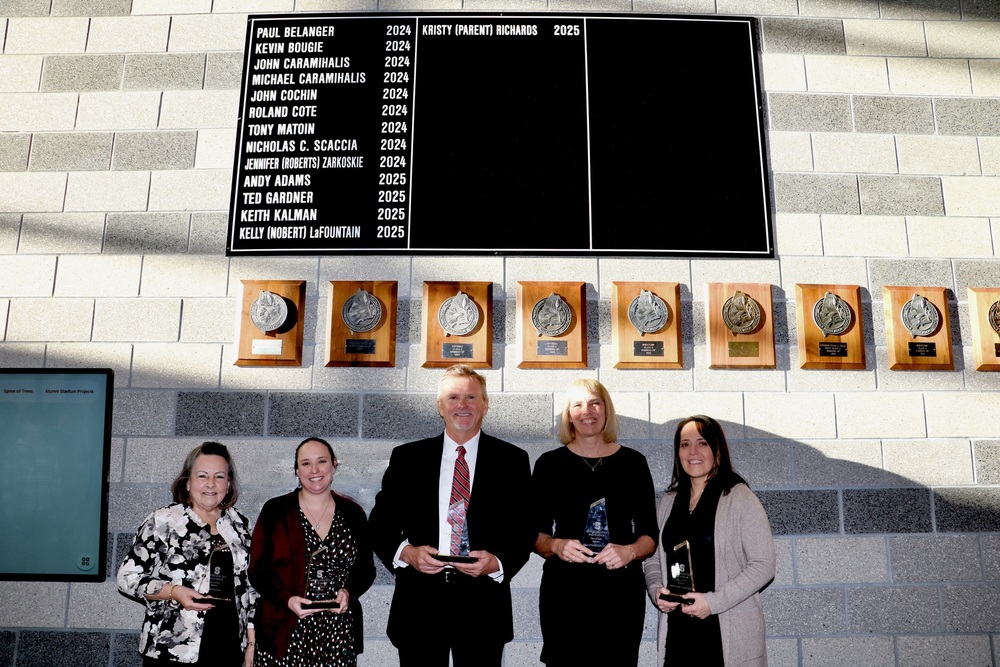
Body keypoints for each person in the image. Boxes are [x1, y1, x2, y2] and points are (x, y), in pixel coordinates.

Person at [367, 364, 535, 667]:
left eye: (471, 397)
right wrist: (407, 553)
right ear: (440, 406)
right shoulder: (408, 458)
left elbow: (524, 529)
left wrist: (496, 563)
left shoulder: (511, 460)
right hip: (420, 604)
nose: (463, 405)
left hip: (483, 606)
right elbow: (380, 523)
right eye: (454, 397)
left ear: (485, 405)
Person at [531, 378, 658, 666]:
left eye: (595, 402)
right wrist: (556, 545)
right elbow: (533, 534)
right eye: (578, 404)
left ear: (606, 410)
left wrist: (630, 551)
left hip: (620, 594)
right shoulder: (549, 465)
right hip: (564, 593)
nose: (587, 411)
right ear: (568, 415)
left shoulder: (633, 463)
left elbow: (650, 534)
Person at [644, 415, 775, 667]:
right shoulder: (668, 502)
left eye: (702, 443)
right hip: (679, 631)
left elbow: (763, 565)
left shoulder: (739, 497)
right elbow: (653, 558)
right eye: (684, 444)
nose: (692, 451)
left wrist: (713, 603)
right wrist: (655, 589)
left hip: (724, 629)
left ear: (717, 448)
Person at [117, 441, 257, 666]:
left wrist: (251, 644)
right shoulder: (163, 521)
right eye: (202, 476)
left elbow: (250, 588)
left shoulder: (240, 525)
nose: (211, 484)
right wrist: (174, 592)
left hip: (228, 648)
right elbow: (127, 578)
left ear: (229, 484)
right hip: (172, 650)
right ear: (188, 482)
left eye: (219, 476)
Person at [249, 437, 375, 667]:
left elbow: (366, 570)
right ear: (296, 470)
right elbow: (258, 570)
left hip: (337, 633)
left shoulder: (353, 513)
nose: (314, 470)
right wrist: (287, 600)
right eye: (305, 463)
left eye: (322, 461)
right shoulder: (275, 510)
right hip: (284, 629)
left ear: (334, 464)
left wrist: (348, 592)